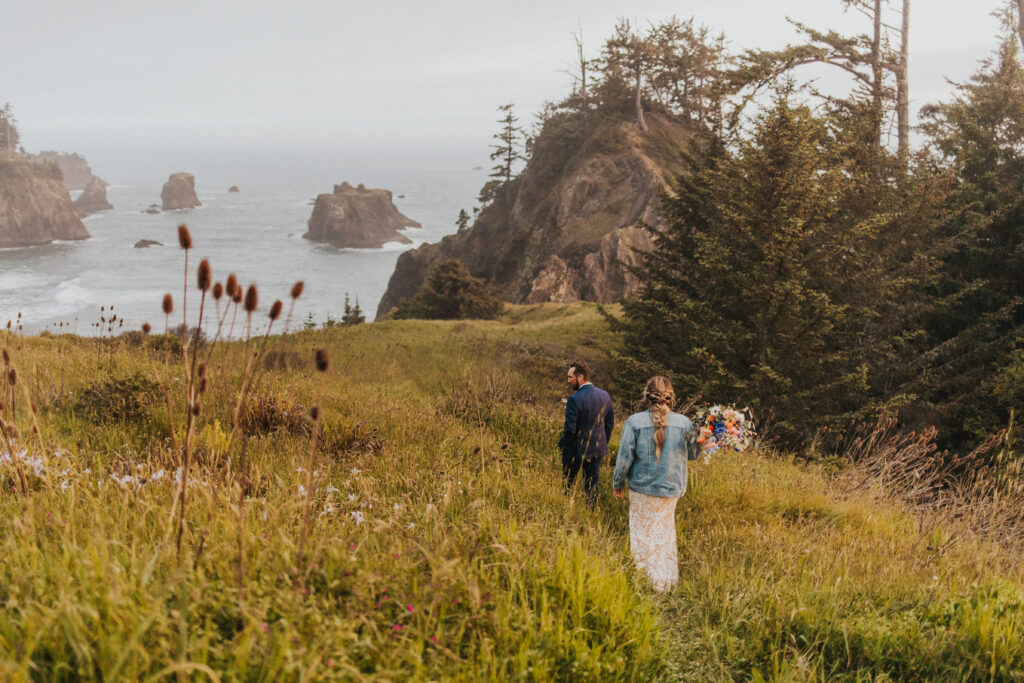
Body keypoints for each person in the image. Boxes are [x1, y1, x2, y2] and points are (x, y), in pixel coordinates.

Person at [612, 376, 692, 592]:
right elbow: (693, 454)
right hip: (671, 488)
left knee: (641, 533)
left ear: (647, 394)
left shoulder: (634, 422)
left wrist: (618, 481)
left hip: (642, 487)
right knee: (665, 532)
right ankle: (666, 582)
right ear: (669, 395)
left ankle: (644, 581)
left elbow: (625, 457)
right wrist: (704, 439)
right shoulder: (684, 423)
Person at [559, 360, 614, 507]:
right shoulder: (605, 396)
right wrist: (602, 442)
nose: (568, 380)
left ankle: (564, 510)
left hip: (575, 449)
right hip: (597, 449)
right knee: (592, 485)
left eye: (571, 377)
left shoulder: (574, 399)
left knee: (567, 483)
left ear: (581, 377)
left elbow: (570, 429)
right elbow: (609, 424)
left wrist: (564, 444)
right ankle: (591, 512)